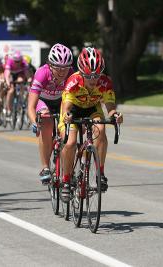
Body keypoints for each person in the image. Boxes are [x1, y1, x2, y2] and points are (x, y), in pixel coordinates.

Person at [59, 47, 123, 202]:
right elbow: (66, 106)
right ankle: (66, 180)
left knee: (101, 129)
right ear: (81, 73)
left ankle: (100, 173)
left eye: (96, 75)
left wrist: (115, 115)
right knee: (70, 142)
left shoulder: (105, 82)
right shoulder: (73, 81)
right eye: (88, 76)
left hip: (92, 109)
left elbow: (109, 106)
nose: (93, 80)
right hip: (73, 110)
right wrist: (67, 116)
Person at [28, 43, 73, 183]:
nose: (62, 72)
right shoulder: (42, 73)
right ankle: (45, 167)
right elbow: (31, 106)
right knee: (46, 121)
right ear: (50, 65)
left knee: (69, 132)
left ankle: (67, 171)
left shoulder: (71, 74)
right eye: (58, 68)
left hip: (61, 102)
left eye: (65, 68)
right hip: (43, 102)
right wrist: (35, 122)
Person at [4, 50, 33, 121]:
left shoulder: (24, 62)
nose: (17, 63)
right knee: (11, 90)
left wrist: (29, 81)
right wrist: (8, 83)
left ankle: (20, 99)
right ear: (13, 59)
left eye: (18, 61)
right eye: (15, 61)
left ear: (21, 60)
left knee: (22, 81)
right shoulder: (10, 61)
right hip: (11, 74)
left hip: (19, 74)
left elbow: (27, 74)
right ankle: (8, 109)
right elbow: (7, 74)